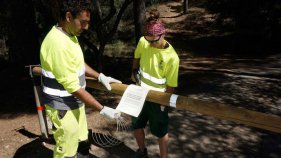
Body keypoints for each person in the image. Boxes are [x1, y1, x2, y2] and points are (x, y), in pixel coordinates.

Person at [40, 0, 122, 157]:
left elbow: (78, 63)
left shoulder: (70, 34)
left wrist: (100, 76)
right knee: (67, 150)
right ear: (69, 17)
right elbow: (73, 87)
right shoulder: (57, 44)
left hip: (75, 102)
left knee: (82, 142)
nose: (86, 27)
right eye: (83, 22)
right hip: (62, 106)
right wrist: (102, 109)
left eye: (87, 22)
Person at [131, 9, 180, 158]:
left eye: (154, 41)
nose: (150, 44)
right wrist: (133, 70)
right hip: (140, 94)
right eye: (148, 40)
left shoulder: (172, 58)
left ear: (163, 34)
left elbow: (171, 86)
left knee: (161, 132)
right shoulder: (143, 41)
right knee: (136, 125)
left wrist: (163, 103)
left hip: (158, 100)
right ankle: (142, 151)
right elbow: (137, 56)